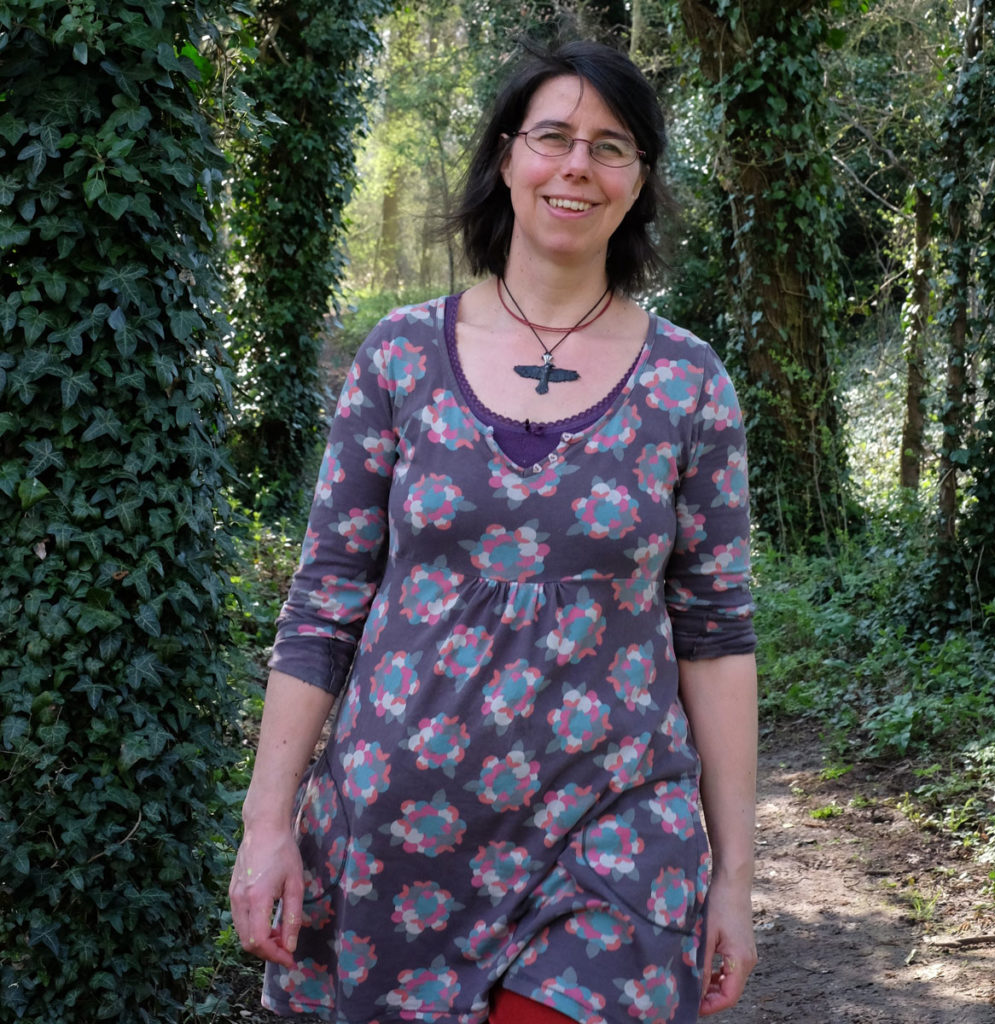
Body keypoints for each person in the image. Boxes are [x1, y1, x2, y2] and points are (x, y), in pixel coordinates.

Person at [230, 39, 758, 1024]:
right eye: (552, 137)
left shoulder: (690, 383)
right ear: (507, 157)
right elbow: (323, 605)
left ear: (640, 180)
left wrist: (733, 875)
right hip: (398, 840)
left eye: (610, 146)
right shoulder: (399, 357)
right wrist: (267, 826)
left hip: (615, 832)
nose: (577, 166)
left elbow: (716, 633)